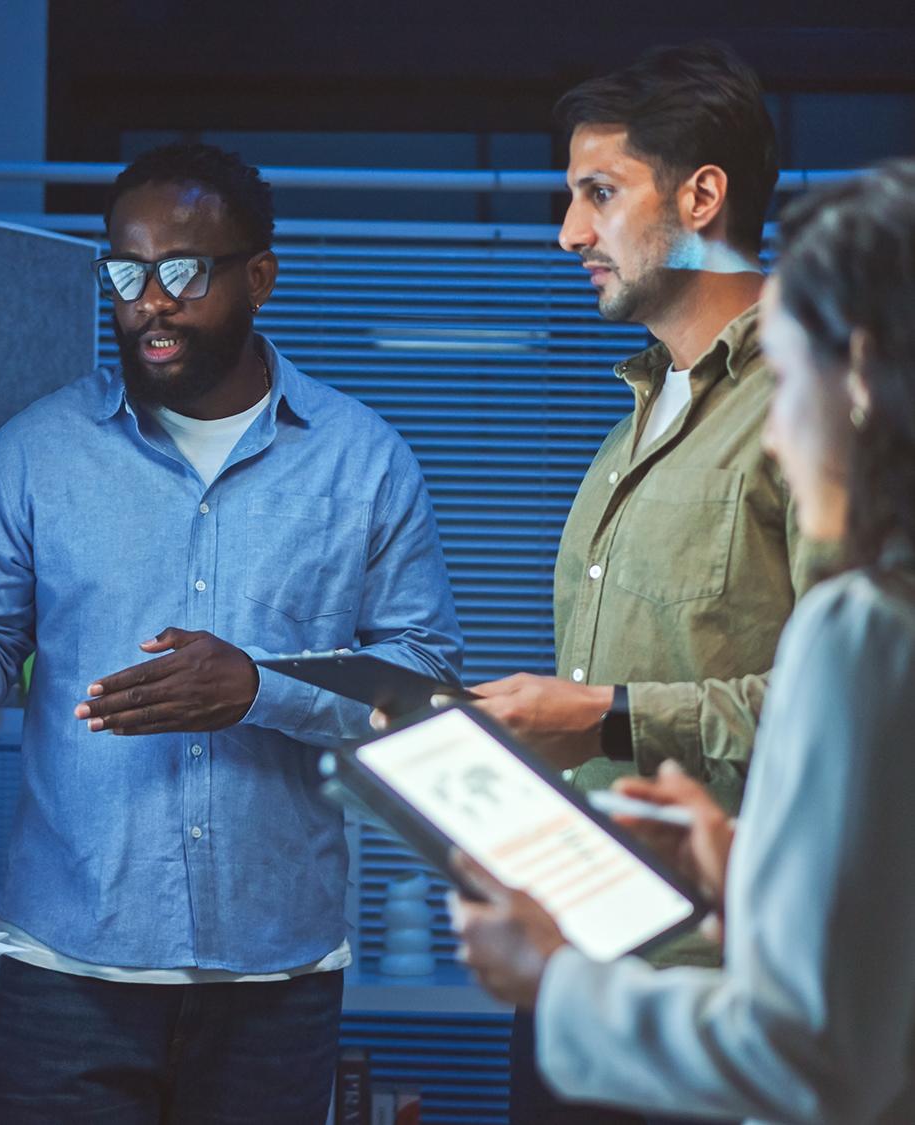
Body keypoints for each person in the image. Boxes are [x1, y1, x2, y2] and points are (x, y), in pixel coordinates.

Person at [0, 142, 462, 1124]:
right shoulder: (39, 453)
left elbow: (424, 686)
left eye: (183, 271)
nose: (147, 299)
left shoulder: (363, 464)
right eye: (125, 269)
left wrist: (258, 688)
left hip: (274, 977)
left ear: (260, 276)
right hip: (70, 970)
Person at [451, 158, 915, 1125]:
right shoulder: (630, 430)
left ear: (863, 377)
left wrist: (552, 976)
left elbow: (814, 1059)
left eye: (788, 380)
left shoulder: (869, 628)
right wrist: (748, 868)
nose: (777, 436)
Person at [405, 42, 814, 1125]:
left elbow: (861, 710)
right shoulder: (636, 419)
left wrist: (608, 716)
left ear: (701, 196)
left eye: (598, 193)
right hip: (581, 963)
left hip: (720, 993)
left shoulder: (816, 412)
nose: (567, 233)